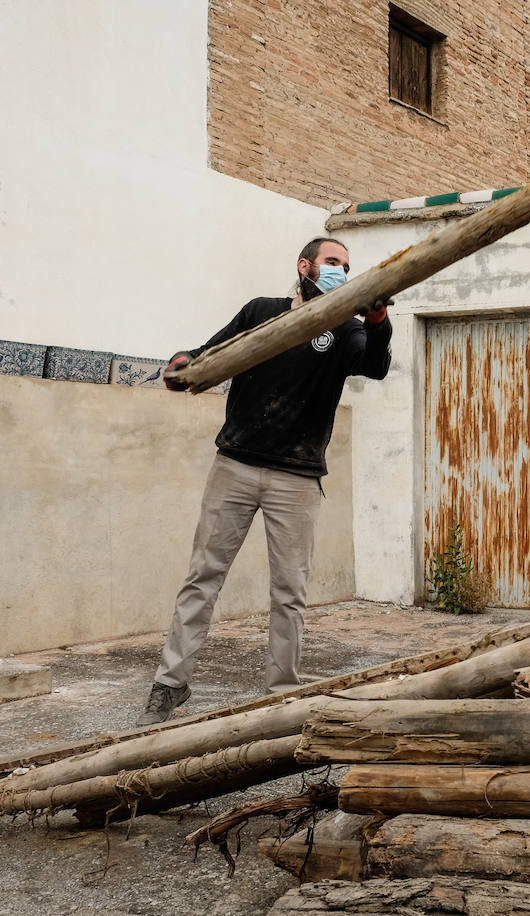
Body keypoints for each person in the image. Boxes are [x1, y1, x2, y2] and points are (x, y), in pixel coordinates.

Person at [135, 237, 392, 726]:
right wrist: (181, 364)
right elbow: (211, 352)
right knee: (202, 578)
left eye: (346, 266)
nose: (340, 270)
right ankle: (170, 686)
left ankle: (282, 695)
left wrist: (378, 320)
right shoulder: (262, 311)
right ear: (305, 267)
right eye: (332, 262)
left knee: (288, 592)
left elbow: (376, 366)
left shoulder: (347, 330)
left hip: (297, 479)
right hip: (234, 464)